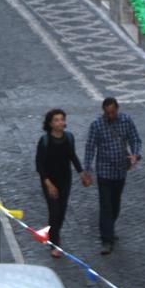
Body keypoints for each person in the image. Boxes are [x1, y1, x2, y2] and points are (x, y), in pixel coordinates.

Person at [84, 97, 142, 255]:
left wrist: (135, 155)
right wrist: (87, 169)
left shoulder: (126, 121)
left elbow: (135, 139)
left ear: (117, 109)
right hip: (104, 171)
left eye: (113, 112)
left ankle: (109, 228)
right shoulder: (96, 125)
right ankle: (106, 240)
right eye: (107, 113)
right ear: (104, 112)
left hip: (120, 171)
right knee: (105, 205)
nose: (110, 116)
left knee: (115, 204)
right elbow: (90, 147)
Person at [36, 109, 91, 258]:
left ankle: (53, 234)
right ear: (50, 124)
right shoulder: (45, 141)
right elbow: (39, 165)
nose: (60, 122)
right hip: (49, 181)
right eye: (56, 120)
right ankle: (55, 243)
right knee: (54, 211)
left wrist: (81, 174)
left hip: (65, 180)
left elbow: (72, 156)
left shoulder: (68, 138)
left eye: (62, 119)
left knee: (61, 212)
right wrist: (48, 183)